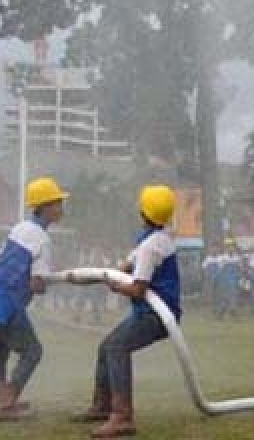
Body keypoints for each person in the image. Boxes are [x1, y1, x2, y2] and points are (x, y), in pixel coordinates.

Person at [74, 185, 182, 438]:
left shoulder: (151, 246)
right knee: (106, 347)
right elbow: (127, 265)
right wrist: (106, 273)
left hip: (154, 316)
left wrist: (116, 286)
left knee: (116, 348)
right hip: (153, 312)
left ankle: (122, 416)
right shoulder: (159, 239)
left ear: (143, 213)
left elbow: (138, 289)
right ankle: (103, 406)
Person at [0, 175, 67, 421]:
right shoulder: (43, 239)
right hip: (8, 304)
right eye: (56, 202)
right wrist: (47, 283)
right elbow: (37, 283)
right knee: (33, 351)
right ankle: (7, 404)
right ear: (44, 207)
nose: (60, 207)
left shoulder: (18, 228)